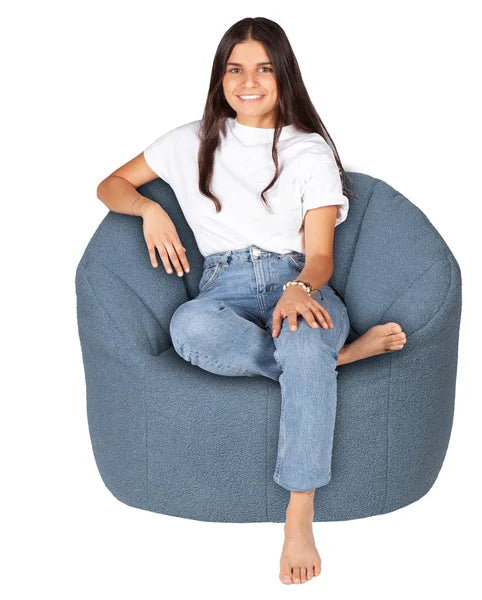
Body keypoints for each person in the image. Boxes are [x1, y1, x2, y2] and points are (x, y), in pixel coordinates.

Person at [96, 17, 407, 586]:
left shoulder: (308, 150)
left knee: (304, 337)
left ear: (283, 76)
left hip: (299, 278)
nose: (248, 82)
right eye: (235, 69)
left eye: (264, 68)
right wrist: (148, 209)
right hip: (224, 286)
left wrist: (300, 290)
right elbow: (110, 184)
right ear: (220, 78)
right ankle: (335, 360)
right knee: (190, 328)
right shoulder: (188, 141)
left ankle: (299, 512)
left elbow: (320, 256)